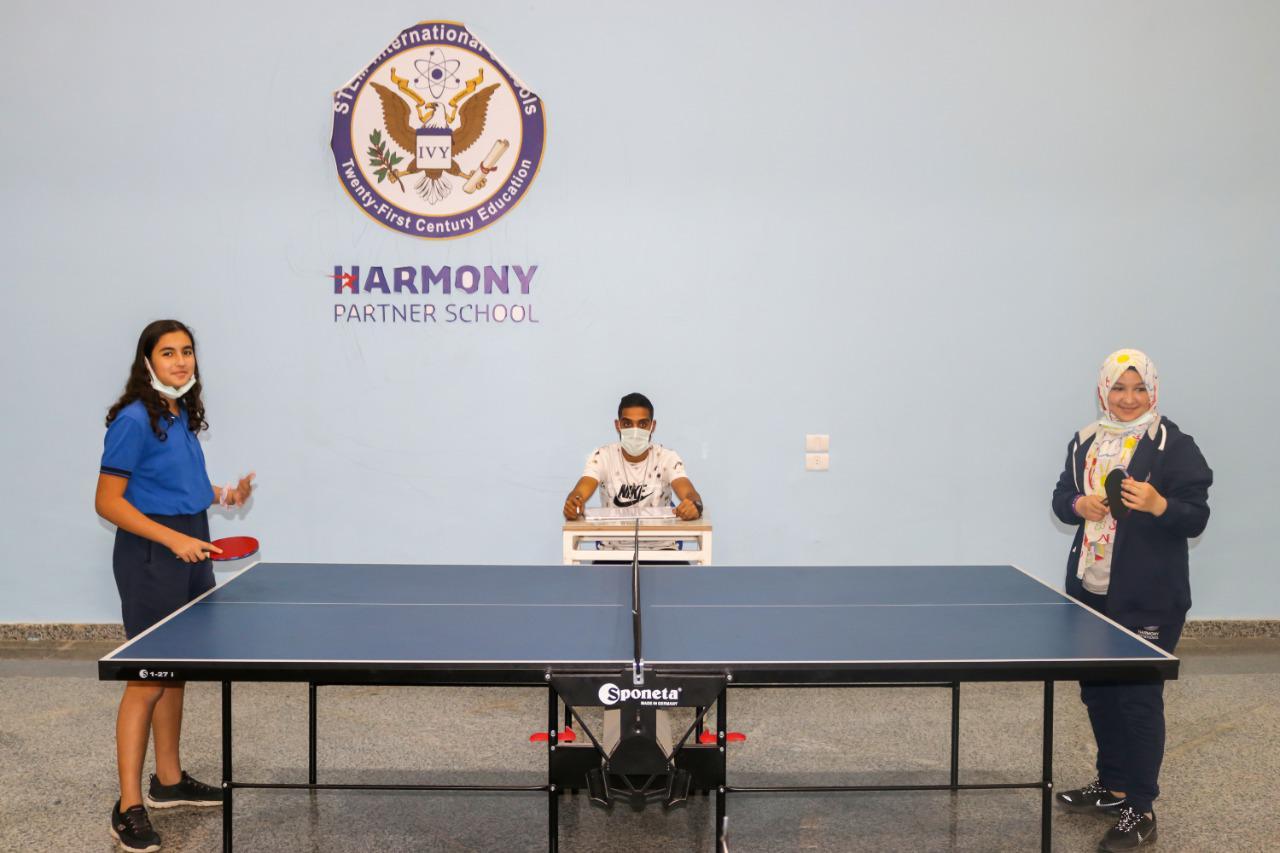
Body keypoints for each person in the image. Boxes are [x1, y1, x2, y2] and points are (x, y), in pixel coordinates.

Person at [96, 320, 255, 852]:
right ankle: (128, 806)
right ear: (147, 362)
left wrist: (223, 494)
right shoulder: (133, 420)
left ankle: (168, 780)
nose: (181, 361)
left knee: (176, 670)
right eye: (168, 353)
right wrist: (170, 540)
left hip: (193, 544)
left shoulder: (178, 412)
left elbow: (175, 484)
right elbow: (109, 502)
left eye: (187, 352)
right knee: (146, 677)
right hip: (151, 557)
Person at [1051, 349, 1211, 852]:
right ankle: (1114, 784)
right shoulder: (1085, 440)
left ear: (1153, 391)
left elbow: (1196, 515)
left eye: (1138, 388)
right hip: (1090, 589)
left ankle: (1140, 809)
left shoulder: (1173, 444)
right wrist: (1081, 503)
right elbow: (1060, 497)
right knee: (1099, 693)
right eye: (1119, 388)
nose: (1128, 399)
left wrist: (1161, 504)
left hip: (1149, 596)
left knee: (1138, 701)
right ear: (1104, 389)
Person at [562, 392, 703, 554]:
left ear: (652, 426)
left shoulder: (667, 458)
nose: (635, 431)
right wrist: (574, 504)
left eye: (642, 424)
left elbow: (690, 493)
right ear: (618, 425)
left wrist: (695, 506)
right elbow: (580, 491)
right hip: (611, 553)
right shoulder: (603, 456)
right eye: (628, 424)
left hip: (662, 550)